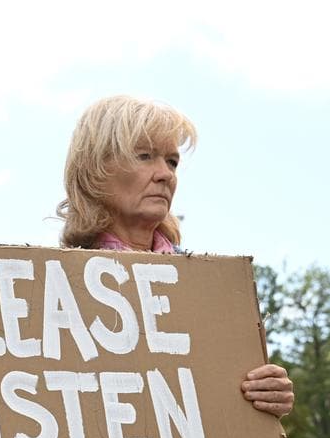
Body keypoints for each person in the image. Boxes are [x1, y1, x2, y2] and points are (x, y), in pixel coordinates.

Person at [56, 95, 294, 418]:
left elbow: (223, 403)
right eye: (144, 155)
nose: (165, 174)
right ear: (95, 168)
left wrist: (268, 394)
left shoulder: (209, 288)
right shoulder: (55, 290)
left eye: (172, 161)